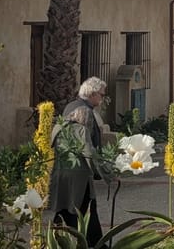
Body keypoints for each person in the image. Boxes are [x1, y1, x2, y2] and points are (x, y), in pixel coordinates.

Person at [49, 105, 112, 246]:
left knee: (63, 209)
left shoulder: (58, 128)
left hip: (60, 176)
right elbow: (90, 156)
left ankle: (55, 241)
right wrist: (108, 174)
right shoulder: (81, 130)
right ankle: (95, 244)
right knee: (87, 211)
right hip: (79, 179)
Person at [63, 77, 108, 151]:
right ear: (92, 94)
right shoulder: (85, 111)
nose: (103, 98)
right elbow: (85, 143)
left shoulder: (70, 105)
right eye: (102, 95)